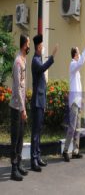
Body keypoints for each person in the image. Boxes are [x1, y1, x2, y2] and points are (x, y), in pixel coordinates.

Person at [31, 34, 58, 172]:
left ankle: (38, 156)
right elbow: (42, 68)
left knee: (39, 131)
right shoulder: (35, 60)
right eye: (41, 46)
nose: (43, 48)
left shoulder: (38, 59)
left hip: (40, 100)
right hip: (36, 101)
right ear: (38, 47)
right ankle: (33, 160)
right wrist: (52, 56)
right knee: (35, 132)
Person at [62, 41, 85, 162]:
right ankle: (65, 150)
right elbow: (81, 62)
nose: (79, 54)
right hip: (73, 102)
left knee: (77, 128)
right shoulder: (73, 65)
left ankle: (75, 151)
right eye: (78, 52)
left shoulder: (76, 71)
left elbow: (78, 87)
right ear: (75, 54)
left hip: (77, 101)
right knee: (72, 127)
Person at [9, 34, 30, 181]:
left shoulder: (24, 60)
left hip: (21, 106)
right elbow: (17, 88)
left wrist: (25, 106)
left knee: (21, 137)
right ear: (24, 45)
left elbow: (23, 86)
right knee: (15, 138)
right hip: (16, 107)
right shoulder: (17, 62)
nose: (29, 46)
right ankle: (13, 168)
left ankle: (19, 163)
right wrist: (22, 109)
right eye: (28, 43)